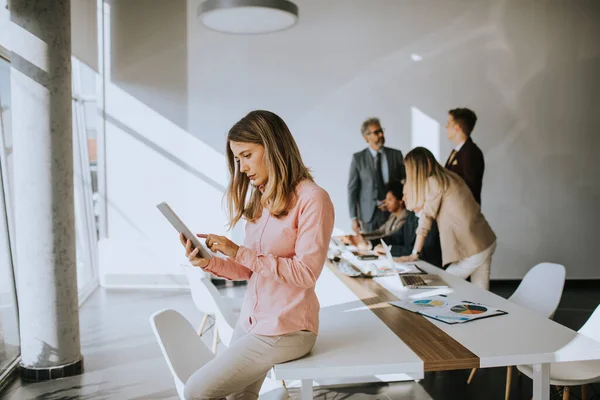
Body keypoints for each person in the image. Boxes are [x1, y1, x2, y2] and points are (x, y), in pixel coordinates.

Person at [180, 110, 335, 400]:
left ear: (273, 147)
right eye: (237, 159)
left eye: (247, 155)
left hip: (288, 330)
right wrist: (210, 262)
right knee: (238, 398)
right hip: (252, 321)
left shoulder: (313, 199)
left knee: (196, 390)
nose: (241, 168)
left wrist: (240, 252)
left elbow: (305, 273)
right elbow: (249, 271)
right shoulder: (262, 199)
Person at [396, 147, 496, 289]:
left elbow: (427, 217)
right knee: (481, 295)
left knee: (443, 286)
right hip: (485, 241)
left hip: (474, 249)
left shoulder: (434, 182)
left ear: (416, 169)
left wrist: (414, 254)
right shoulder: (449, 176)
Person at [348, 117, 405, 234]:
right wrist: (354, 218)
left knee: (393, 247)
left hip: (393, 212)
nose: (380, 134)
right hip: (369, 214)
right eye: (376, 132)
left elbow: (404, 182)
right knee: (371, 246)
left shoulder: (396, 155)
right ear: (366, 137)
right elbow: (352, 189)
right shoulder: (358, 158)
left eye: (381, 131)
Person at [342, 180, 408, 248]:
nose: (386, 203)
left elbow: (390, 237)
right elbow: (380, 232)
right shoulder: (393, 215)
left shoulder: (405, 217)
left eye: (390, 200)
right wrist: (362, 236)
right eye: (386, 200)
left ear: (400, 201)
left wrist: (365, 241)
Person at [445, 108, 485, 204]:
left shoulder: (471, 152)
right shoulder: (457, 152)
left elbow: (470, 188)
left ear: (457, 128)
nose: (446, 126)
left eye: (449, 123)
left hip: (463, 212)